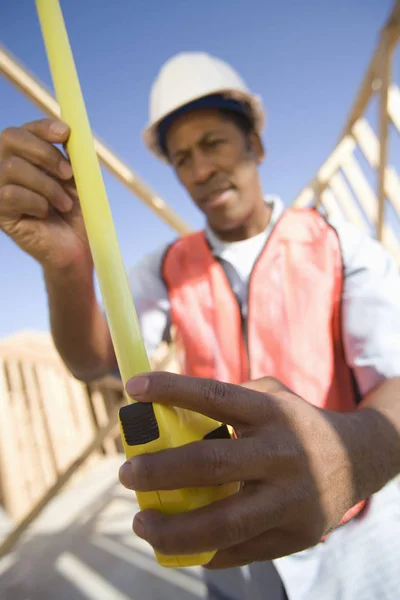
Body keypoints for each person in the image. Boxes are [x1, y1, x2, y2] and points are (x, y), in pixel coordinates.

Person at [0, 51, 399, 599]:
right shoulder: (166, 268)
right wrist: (67, 268)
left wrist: (352, 452)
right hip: (228, 539)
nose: (200, 169)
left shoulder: (338, 242)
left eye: (213, 143)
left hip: (357, 536)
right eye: (182, 158)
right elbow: (92, 359)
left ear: (255, 146)